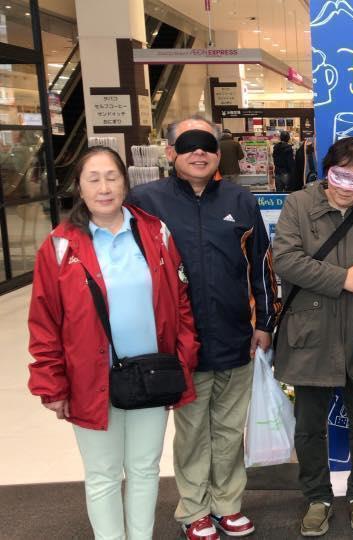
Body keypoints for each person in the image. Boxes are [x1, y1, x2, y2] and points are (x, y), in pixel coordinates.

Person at [28, 146, 199, 540]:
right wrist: (52, 383)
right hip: (90, 379)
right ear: (79, 187)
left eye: (112, 177)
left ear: (125, 182)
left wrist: (183, 358)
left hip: (153, 374)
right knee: (103, 473)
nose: (104, 188)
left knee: (144, 468)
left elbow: (180, 301)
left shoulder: (154, 232)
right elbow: (44, 322)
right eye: (94, 179)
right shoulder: (60, 245)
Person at [127, 114, 279, 540]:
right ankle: (194, 509)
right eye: (188, 144)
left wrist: (265, 322)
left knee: (229, 430)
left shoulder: (241, 201)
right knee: (193, 431)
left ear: (218, 153)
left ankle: (228, 504)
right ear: (170, 151)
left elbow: (261, 265)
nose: (199, 152)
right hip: (181, 343)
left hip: (236, 337)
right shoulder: (145, 201)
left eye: (208, 145)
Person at [272, 137, 353, 537]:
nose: (346, 186)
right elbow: (286, 260)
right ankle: (317, 498)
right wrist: (345, 279)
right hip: (310, 332)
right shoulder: (298, 204)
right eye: (340, 175)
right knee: (309, 426)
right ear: (326, 170)